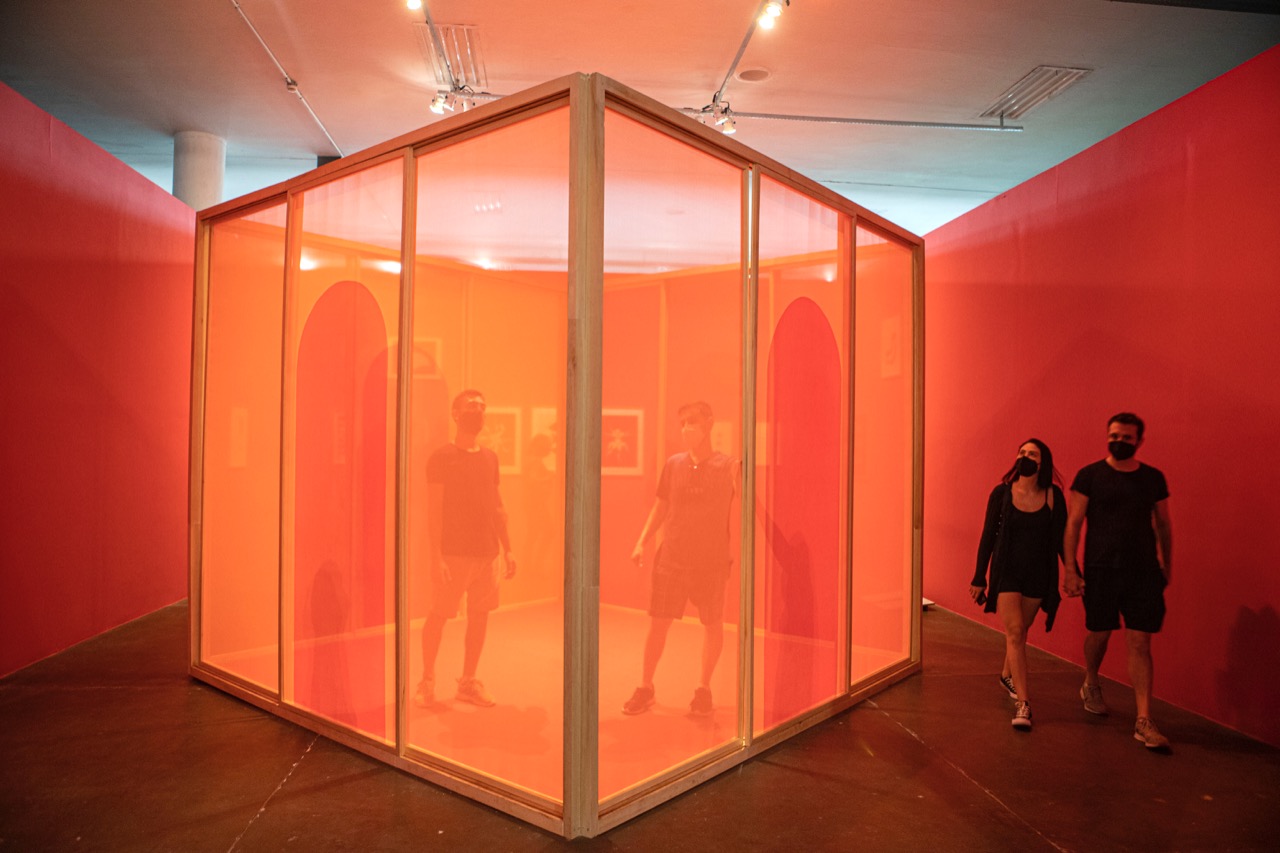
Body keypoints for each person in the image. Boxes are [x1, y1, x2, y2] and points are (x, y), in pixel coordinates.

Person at [1063, 412, 1173, 750]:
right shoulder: (1090, 476)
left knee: (1140, 642)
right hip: (1100, 569)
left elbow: (1163, 525)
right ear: (1107, 436)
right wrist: (1070, 569)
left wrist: (1167, 567)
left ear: (1139, 441)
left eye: (1127, 437)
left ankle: (1143, 719)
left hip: (1143, 572)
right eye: (1114, 435)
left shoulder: (1153, 478)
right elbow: (1074, 524)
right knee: (1100, 632)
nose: (1119, 441)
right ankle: (1091, 680)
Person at [624, 401, 739, 717]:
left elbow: (744, 507)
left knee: (712, 624)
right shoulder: (673, 465)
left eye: (693, 421)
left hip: (710, 563)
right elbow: (661, 507)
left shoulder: (729, 466)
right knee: (658, 625)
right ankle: (646, 687)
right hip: (671, 559)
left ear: (709, 423)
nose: (687, 428)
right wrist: (641, 543)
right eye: (683, 423)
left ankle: (703, 688)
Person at [415, 390, 515, 708]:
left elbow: (498, 507)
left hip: (488, 554)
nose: (479, 410)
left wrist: (508, 548)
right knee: (439, 614)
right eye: (472, 406)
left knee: (480, 615)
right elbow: (434, 512)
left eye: (483, 406)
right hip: (453, 555)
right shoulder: (441, 458)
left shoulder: (490, 458)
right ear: (456, 414)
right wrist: (435, 558)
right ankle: (427, 679)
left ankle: (468, 681)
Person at [969, 438, 1067, 731]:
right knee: (1014, 632)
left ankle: (1006, 675)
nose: (1025, 457)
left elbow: (1061, 539)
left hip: (1039, 575)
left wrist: (1073, 571)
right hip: (1007, 572)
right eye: (1022, 452)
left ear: (1042, 462)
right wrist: (979, 577)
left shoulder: (1053, 496)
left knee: (1021, 631)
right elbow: (988, 536)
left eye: (1032, 454)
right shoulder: (1002, 493)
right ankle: (1024, 704)